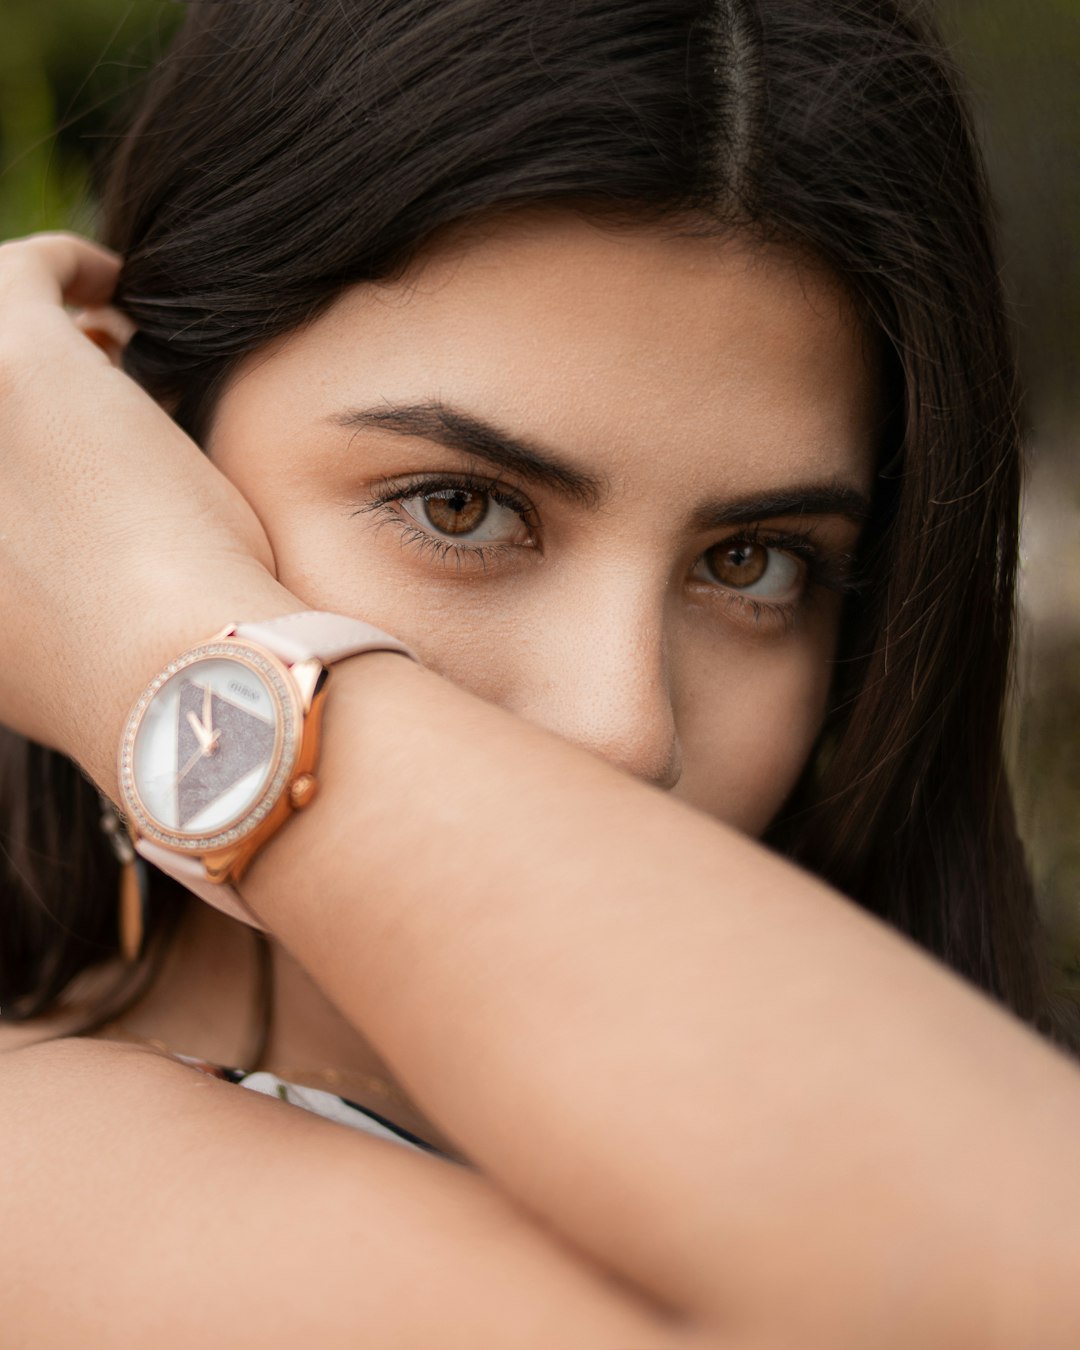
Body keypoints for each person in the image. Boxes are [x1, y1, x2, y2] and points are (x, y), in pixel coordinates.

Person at [1, 1, 1077, 1345]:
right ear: (129, 456)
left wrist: (174, 666)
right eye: (460, 508)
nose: (625, 725)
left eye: (755, 563)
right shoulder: (47, 1185)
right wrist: (154, 644)